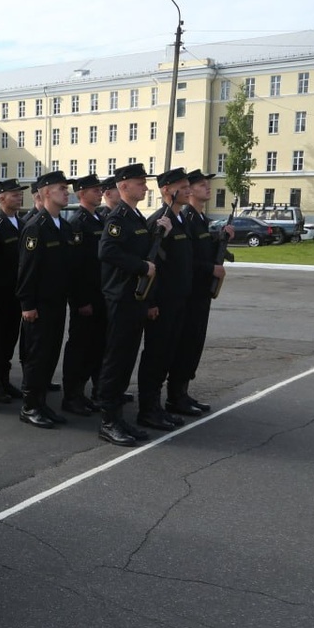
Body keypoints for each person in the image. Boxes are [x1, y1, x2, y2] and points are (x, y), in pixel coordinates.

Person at [97, 163, 172, 446]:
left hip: (136, 299)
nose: (145, 187)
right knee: (116, 361)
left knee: (127, 359)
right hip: (121, 298)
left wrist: (159, 233)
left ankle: (118, 418)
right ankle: (108, 421)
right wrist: (141, 267)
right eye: (140, 183)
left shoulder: (136, 216)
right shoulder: (118, 217)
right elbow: (107, 250)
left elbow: (142, 248)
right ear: (124, 186)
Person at [167, 169, 232, 415]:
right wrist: (210, 268)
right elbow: (186, 259)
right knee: (186, 344)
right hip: (191, 293)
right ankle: (176, 396)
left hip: (201, 292)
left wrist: (221, 239)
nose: (208, 188)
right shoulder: (188, 219)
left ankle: (183, 392)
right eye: (202, 185)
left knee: (195, 344)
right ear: (191, 191)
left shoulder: (199, 219)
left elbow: (203, 250)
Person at [135, 168, 194, 431]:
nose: (188, 190)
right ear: (167, 190)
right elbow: (152, 264)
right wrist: (151, 302)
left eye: (188, 185)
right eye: (183, 186)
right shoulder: (160, 221)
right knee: (155, 356)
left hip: (179, 300)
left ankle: (157, 407)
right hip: (162, 302)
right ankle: (148, 410)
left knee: (168, 354)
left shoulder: (180, 219)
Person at [16, 171, 74, 428]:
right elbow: (27, 270)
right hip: (38, 306)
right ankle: (29, 406)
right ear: (47, 192)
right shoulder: (35, 227)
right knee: (37, 357)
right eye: (61, 188)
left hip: (57, 302)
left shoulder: (63, 226)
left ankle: (41, 403)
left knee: (50, 354)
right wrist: (27, 305)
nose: (66, 192)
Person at [61, 174, 107, 414]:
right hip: (86, 298)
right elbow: (75, 267)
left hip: (100, 295)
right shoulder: (78, 223)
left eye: (100, 189)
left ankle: (82, 393)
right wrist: (80, 301)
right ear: (81, 194)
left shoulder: (98, 218)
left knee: (94, 348)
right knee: (79, 348)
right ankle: (71, 396)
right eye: (94, 190)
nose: (100, 193)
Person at [0, 179, 25, 402]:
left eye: (20, 194)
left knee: (10, 339)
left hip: (17, 293)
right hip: (2, 294)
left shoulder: (21, 224)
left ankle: (4, 379)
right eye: (14, 194)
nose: (19, 197)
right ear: (1, 198)